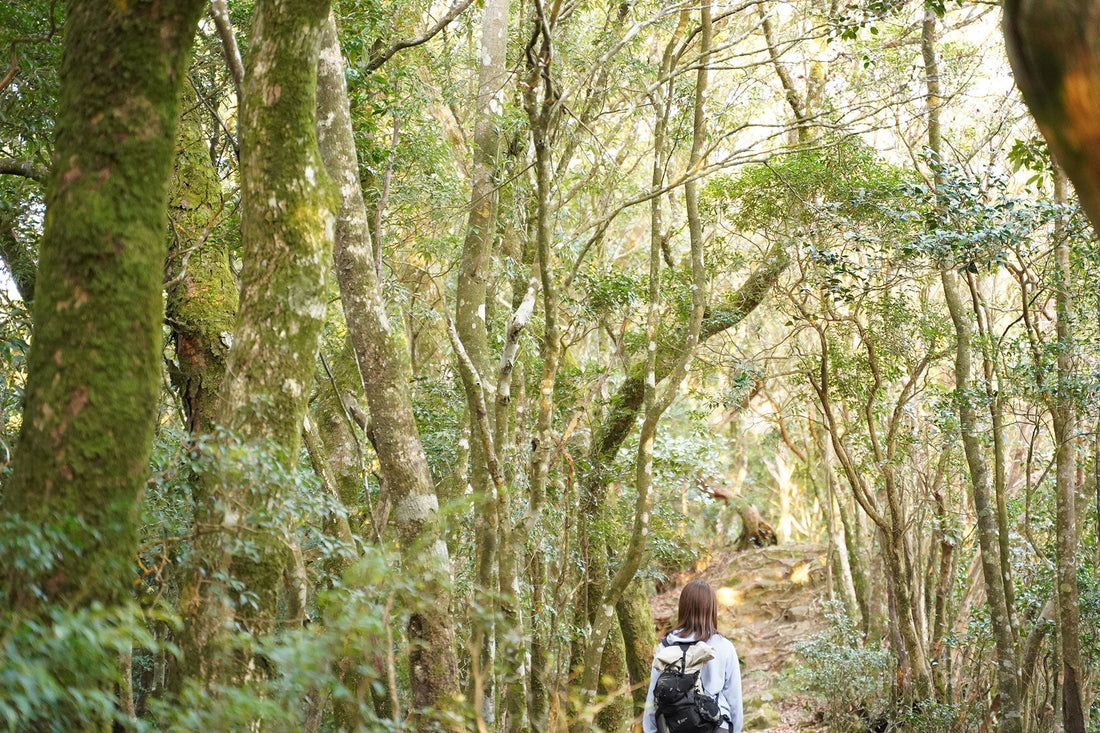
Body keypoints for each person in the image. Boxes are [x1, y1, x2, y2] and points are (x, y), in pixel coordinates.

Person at [642, 579, 742, 733]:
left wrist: (650, 729)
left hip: (675, 725)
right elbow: (734, 698)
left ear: (683, 608)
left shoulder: (666, 646)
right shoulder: (724, 646)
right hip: (717, 725)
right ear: (711, 609)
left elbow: (654, 696)